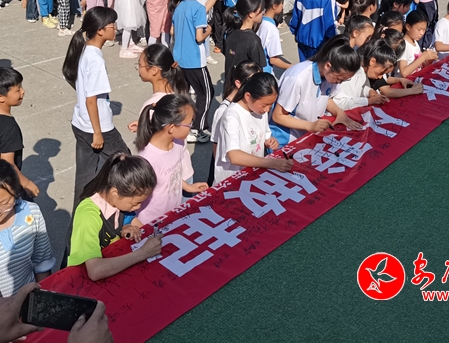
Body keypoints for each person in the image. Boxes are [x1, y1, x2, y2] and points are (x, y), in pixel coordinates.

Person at [62, 7, 130, 204]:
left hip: (81, 122)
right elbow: (91, 100)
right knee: (126, 163)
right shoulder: (96, 60)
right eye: (112, 24)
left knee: (85, 177)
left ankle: (81, 213)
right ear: (100, 30)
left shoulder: (85, 49)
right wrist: (98, 133)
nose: (115, 28)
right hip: (98, 127)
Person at [67, 153, 162, 280]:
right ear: (115, 193)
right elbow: (95, 271)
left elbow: (134, 222)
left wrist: (127, 226)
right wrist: (143, 253)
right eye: (135, 203)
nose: (138, 207)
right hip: (82, 281)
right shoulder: (88, 216)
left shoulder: (117, 202)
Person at [270, 35, 363, 145]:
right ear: (328, 66)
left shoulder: (329, 76)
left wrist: (340, 113)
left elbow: (327, 99)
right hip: (284, 139)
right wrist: (310, 125)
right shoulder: (297, 78)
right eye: (339, 78)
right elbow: (278, 116)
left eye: (344, 80)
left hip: (307, 135)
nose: (339, 82)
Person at [135, 95, 207, 224]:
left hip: (172, 216)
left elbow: (173, 174)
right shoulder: (148, 160)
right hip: (151, 223)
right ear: (172, 128)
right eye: (189, 123)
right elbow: (134, 198)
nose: (191, 127)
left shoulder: (178, 143)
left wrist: (188, 187)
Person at [213, 73, 290, 184]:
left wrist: (270, 141)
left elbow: (264, 135)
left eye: (271, 105)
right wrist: (272, 163)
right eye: (264, 105)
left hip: (252, 176)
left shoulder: (259, 111)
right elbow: (234, 156)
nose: (267, 110)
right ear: (248, 96)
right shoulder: (231, 116)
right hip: (232, 180)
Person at [170, 0, 214, 144]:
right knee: (207, 93)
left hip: (179, 57)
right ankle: (198, 128)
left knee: (185, 95)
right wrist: (209, 30)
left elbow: (172, 31)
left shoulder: (179, 6)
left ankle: (184, 125)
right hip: (195, 59)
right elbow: (199, 37)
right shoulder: (199, 8)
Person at [0, 160, 54, 297]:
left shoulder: (31, 214)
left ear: (15, 193)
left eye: (4, 203)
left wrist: (43, 298)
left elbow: (42, 261)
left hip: (28, 300)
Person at [0, 68, 38, 198]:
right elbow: (8, 162)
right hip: (6, 185)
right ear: (1, 97)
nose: (23, 91)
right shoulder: (9, 127)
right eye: (17, 90)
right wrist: (26, 183)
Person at [223, 0, 267, 83]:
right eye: (261, 10)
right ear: (251, 14)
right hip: (245, 87)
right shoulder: (253, 40)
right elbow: (258, 70)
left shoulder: (230, 32)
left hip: (230, 85)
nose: (263, 13)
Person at [258, 0, 291, 74]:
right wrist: (291, 66)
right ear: (274, 6)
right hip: (265, 71)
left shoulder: (257, 21)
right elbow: (273, 60)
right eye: (281, 3)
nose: (282, 6)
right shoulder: (272, 29)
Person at [399, 10, 438, 77]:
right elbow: (404, 73)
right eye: (419, 29)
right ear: (408, 27)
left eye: (424, 30)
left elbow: (419, 66)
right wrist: (423, 57)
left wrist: (429, 60)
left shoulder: (415, 43)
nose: (422, 33)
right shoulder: (403, 45)